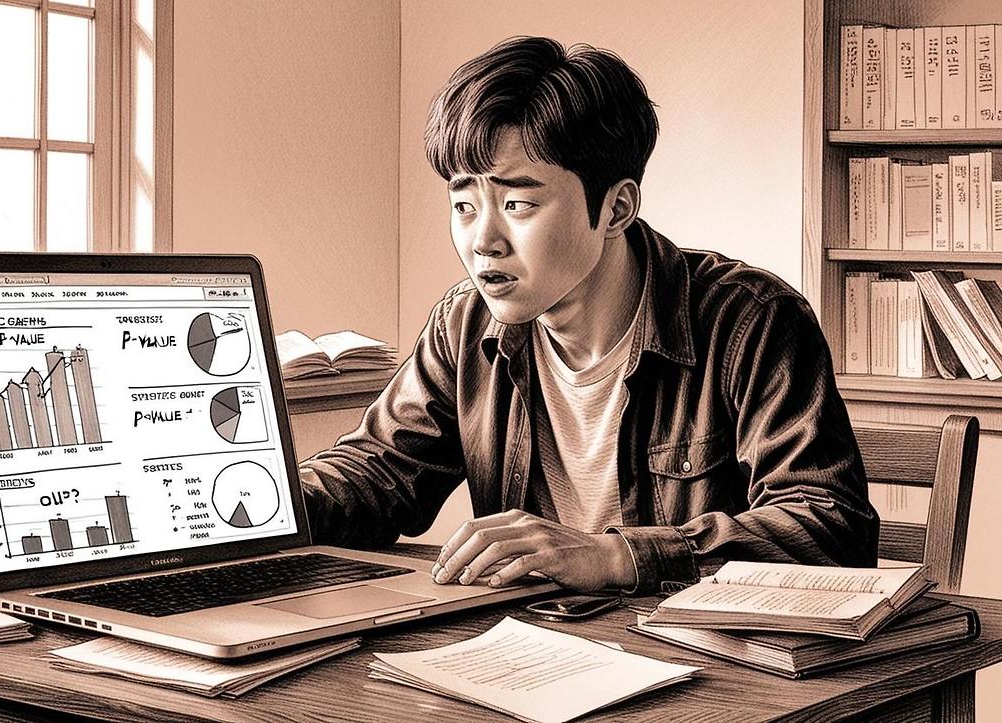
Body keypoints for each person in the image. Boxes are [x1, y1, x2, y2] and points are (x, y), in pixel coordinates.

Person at [297, 36, 877, 595]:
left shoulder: (749, 321)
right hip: (531, 656)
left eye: (518, 203)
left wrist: (617, 555)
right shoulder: (466, 324)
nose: (483, 242)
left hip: (706, 666)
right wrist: (253, 508)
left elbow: (830, 528)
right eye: (463, 206)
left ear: (617, 207)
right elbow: (378, 472)